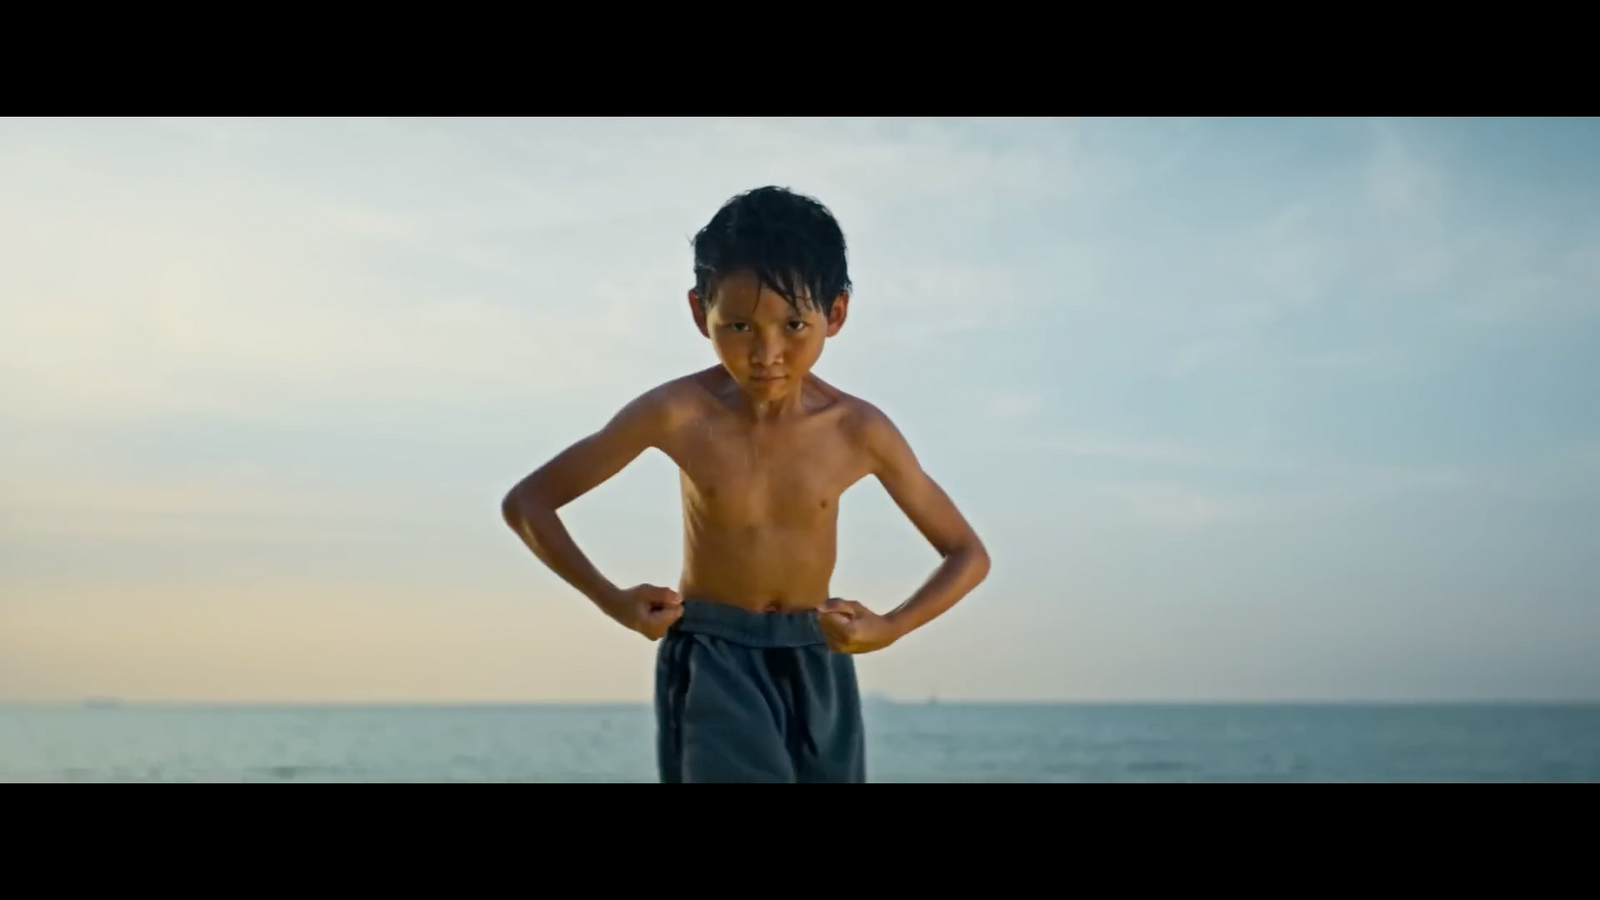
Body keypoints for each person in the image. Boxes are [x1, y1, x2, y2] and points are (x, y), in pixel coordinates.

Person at [501, 185, 990, 782]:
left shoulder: (858, 430)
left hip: (818, 655)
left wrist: (888, 628)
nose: (767, 352)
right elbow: (529, 503)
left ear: (834, 314)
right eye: (738, 325)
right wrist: (613, 599)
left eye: (793, 324)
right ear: (697, 311)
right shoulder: (677, 413)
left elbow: (966, 553)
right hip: (714, 657)